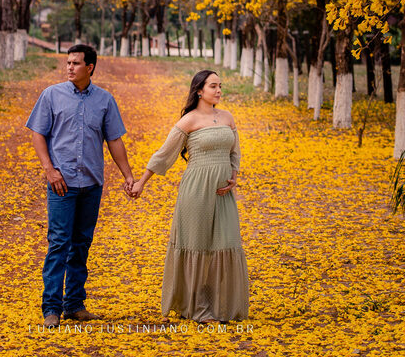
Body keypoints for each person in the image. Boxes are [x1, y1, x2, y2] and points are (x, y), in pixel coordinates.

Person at [26, 44, 135, 328]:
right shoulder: (52, 95)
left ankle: (74, 304)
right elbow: (38, 134)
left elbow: (114, 140)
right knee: (59, 243)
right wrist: (49, 170)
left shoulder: (105, 100)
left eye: (76, 63)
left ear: (90, 68)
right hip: (61, 184)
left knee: (81, 245)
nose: (69, 67)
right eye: (68, 63)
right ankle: (51, 307)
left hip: (91, 184)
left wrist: (128, 175)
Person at [129, 69, 249, 323]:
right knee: (198, 246)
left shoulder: (227, 117)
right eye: (213, 86)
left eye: (220, 86)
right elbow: (164, 154)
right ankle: (198, 308)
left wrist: (234, 176)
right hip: (196, 191)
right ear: (199, 91)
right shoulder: (189, 121)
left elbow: (234, 151)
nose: (218, 90)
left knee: (224, 245)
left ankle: (220, 306)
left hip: (223, 194)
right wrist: (141, 182)